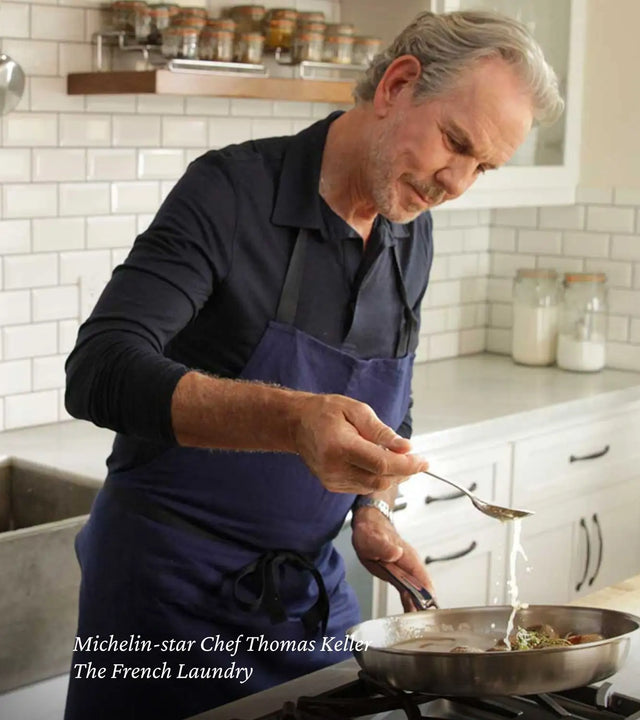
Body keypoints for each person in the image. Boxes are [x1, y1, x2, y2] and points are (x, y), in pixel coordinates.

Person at [63, 9, 562, 720]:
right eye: (456, 144)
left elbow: (391, 410)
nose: (457, 182)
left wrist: (371, 509)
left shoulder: (408, 235)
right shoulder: (230, 193)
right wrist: (292, 421)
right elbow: (98, 370)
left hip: (306, 601)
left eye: (483, 166)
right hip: (163, 601)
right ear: (397, 85)